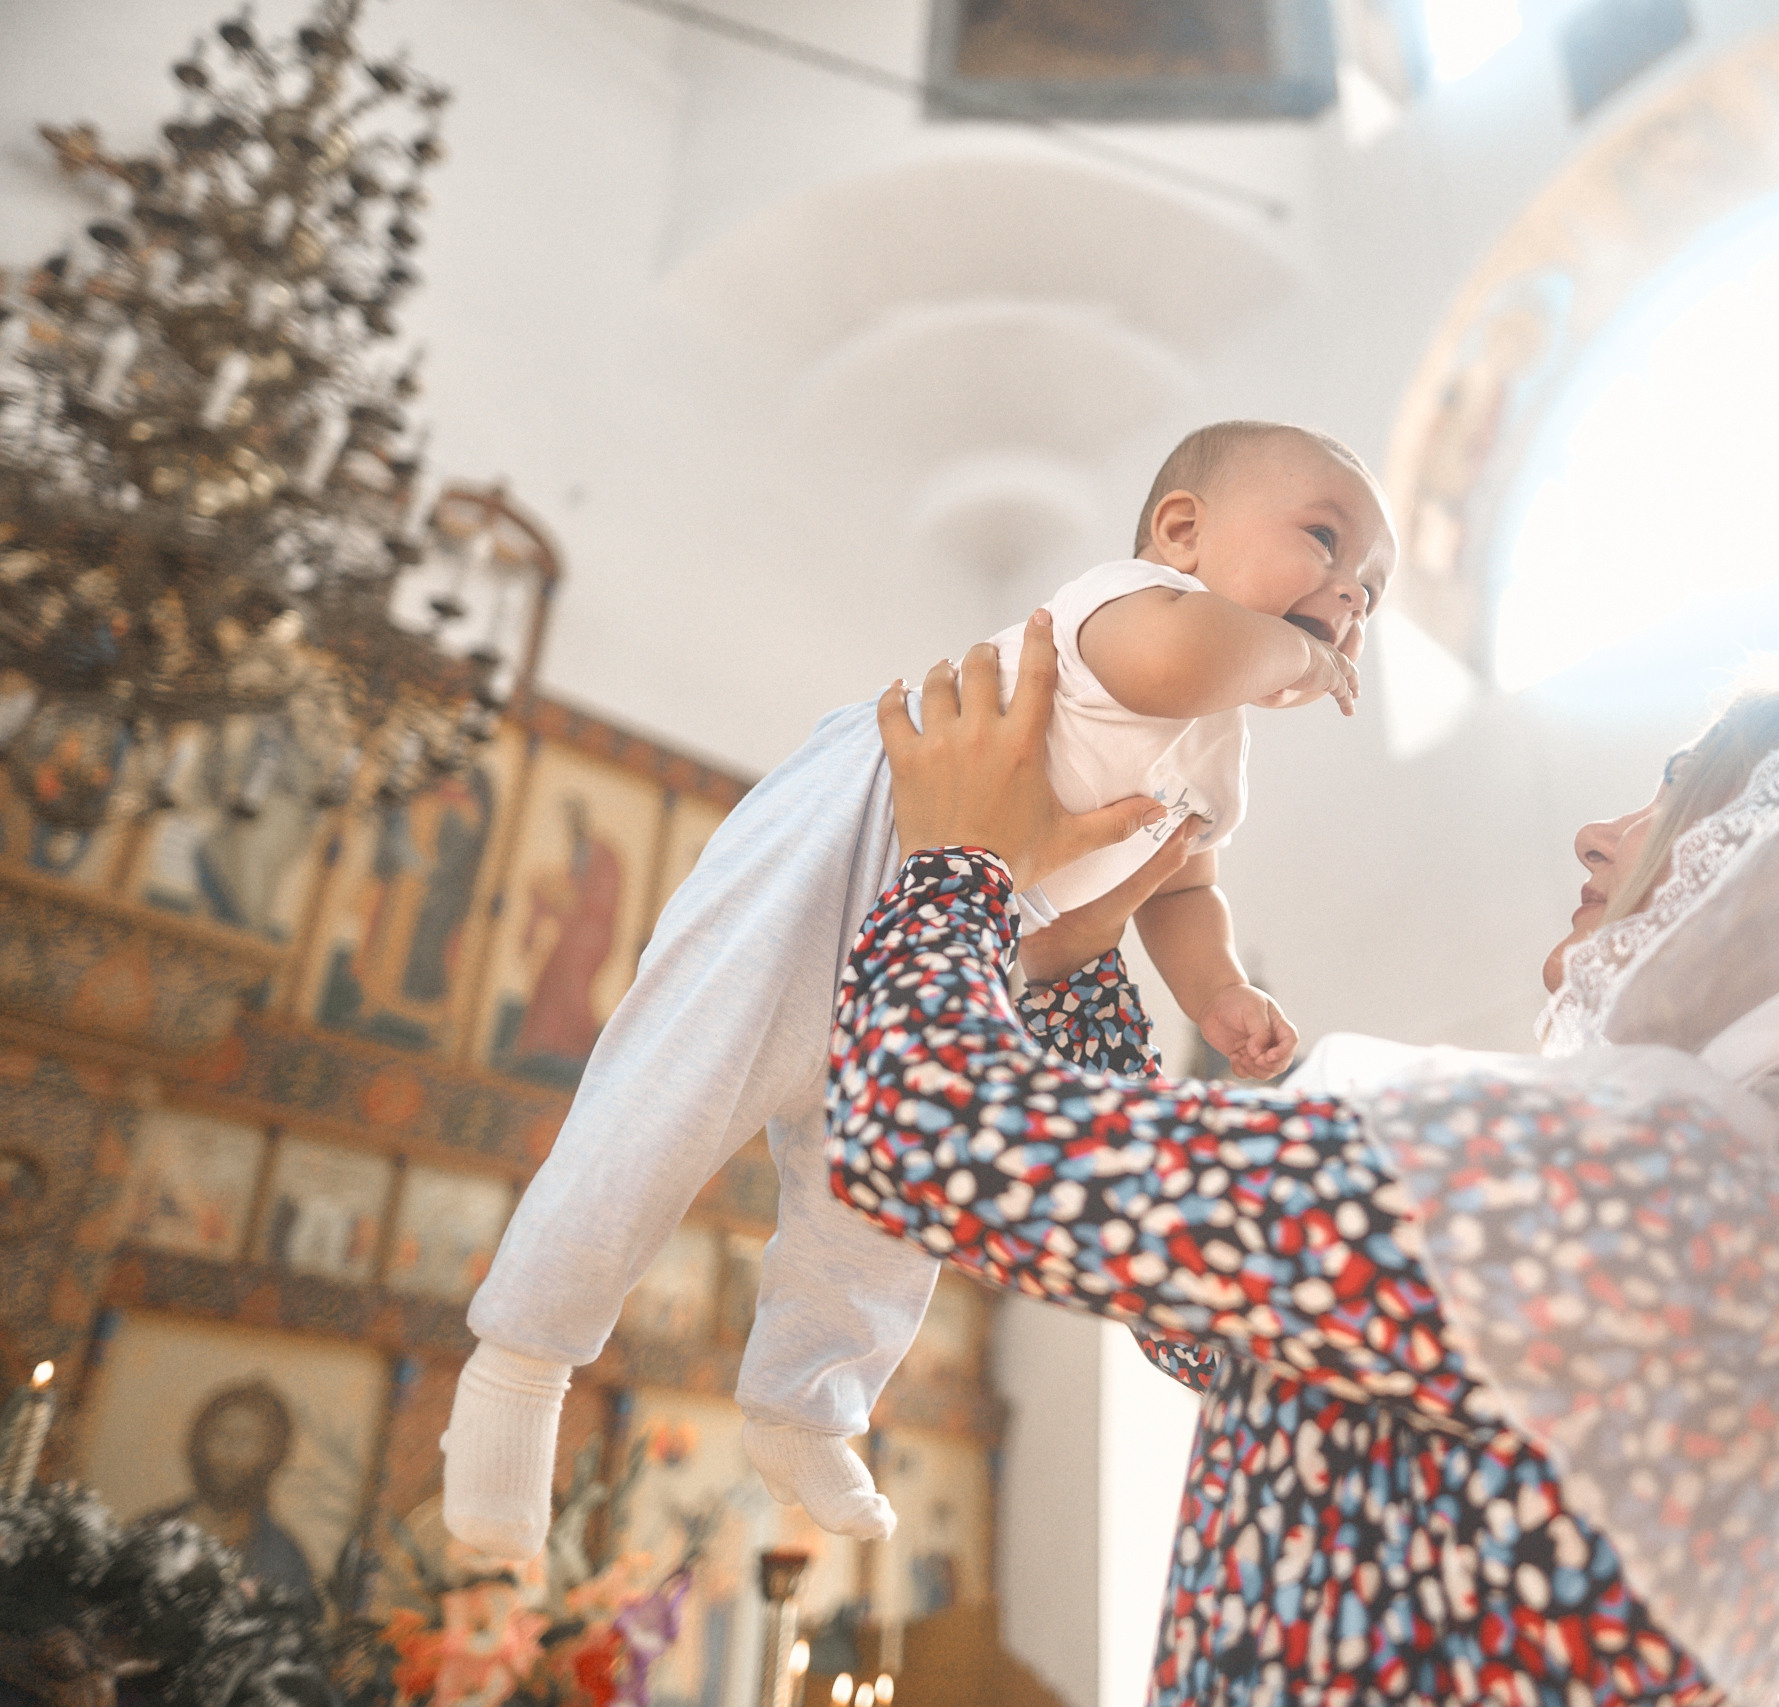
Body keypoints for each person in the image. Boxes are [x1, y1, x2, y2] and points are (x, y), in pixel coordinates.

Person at [816, 629, 1779, 1706]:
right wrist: (1082, 945)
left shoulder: (1674, 1184)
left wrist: (961, 862)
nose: (1598, 832)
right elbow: (1216, 1302)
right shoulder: (1757, 1234)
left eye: (1685, 802)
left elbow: (924, 1136)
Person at [444, 421, 1393, 1561]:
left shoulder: (1218, 750)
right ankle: (521, 1364)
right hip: (857, 829)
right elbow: (1192, 659)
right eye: (1325, 543)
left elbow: (1180, 885)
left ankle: (806, 1404)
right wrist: (1303, 657)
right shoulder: (1134, 606)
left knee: (891, 1176)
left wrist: (1218, 987)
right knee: (677, 1086)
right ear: (1181, 534)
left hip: (971, 926)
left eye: (1372, 593)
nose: (1349, 598)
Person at [149, 1379, 319, 1610]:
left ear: (273, 1454)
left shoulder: (284, 1558)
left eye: (246, 1439)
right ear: (198, 1441)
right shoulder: (151, 1531)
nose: (229, 1451)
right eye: (220, 1434)